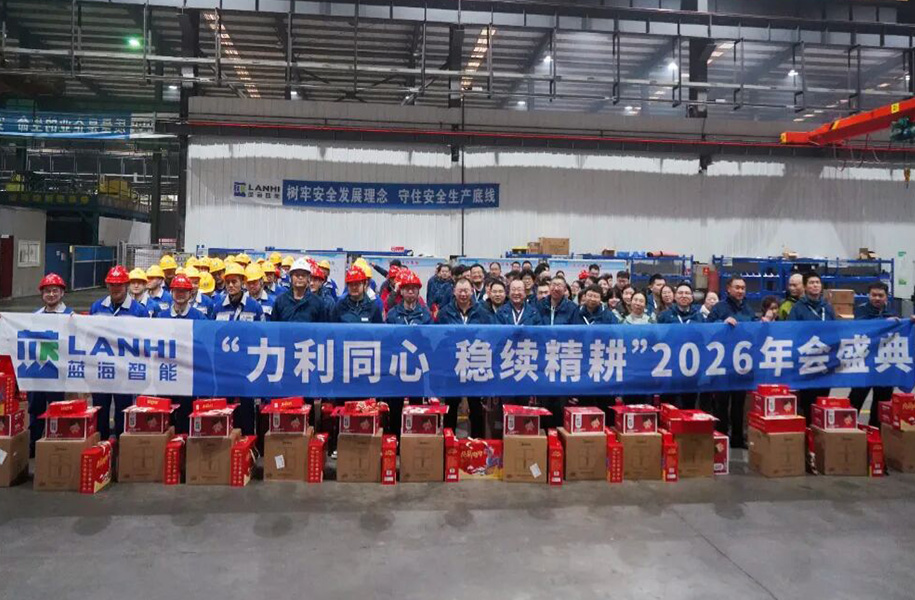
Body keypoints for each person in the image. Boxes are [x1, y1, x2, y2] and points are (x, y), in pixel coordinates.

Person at [89, 265, 148, 439]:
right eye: (112, 285)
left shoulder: (139, 311)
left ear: (126, 285)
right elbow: (88, 336)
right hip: (101, 370)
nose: (116, 289)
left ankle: (122, 447)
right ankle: (101, 447)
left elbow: (145, 341)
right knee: (100, 411)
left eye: (120, 285)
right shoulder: (97, 307)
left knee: (124, 412)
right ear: (107, 285)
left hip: (125, 371)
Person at [436, 278, 492, 438]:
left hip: (475, 362)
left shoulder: (482, 312)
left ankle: (476, 441)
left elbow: (488, 335)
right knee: (451, 405)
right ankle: (449, 441)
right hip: (452, 364)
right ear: (454, 292)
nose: (463, 294)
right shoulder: (445, 313)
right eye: (460, 290)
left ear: (472, 291)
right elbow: (438, 338)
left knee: (475, 406)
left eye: (466, 290)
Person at [705, 276, 755, 448]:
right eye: (737, 287)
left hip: (741, 365)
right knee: (721, 403)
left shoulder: (748, 309)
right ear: (728, 289)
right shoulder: (719, 308)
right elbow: (708, 328)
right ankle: (721, 437)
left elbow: (754, 330)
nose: (740, 291)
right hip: (722, 364)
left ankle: (737, 438)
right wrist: (722, 323)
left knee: (739, 403)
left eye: (743, 288)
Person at [28, 274, 72, 452]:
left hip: (59, 372)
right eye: (47, 291)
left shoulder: (71, 316)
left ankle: (56, 444)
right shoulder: (35, 316)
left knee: (58, 408)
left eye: (55, 291)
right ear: (42, 294)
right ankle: (33, 443)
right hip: (38, 371)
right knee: (35, 408)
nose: (51, 294)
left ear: (62, 293)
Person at [849, 282, 897, 426]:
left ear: (886, 297)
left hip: (884, 364)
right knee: (855, 399)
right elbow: (862, 326)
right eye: (873, 295)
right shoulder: (861, 311)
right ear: (868, 296)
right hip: (864, 363)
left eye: (880, 295)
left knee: (881, 403)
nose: (877, 298)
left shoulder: (892, 313)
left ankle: (876, 432)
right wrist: (885, 322)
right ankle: (848, 429)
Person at [657, 282, 704, 409]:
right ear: (675, 296)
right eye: (680, 293)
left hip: (691, 367)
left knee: (689, 404)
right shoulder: (665, 316)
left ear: (692, 297)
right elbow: (659, 339)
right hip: (669, 366)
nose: (684, 295)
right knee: (668, 405)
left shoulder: (699, 317)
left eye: (687, 293)